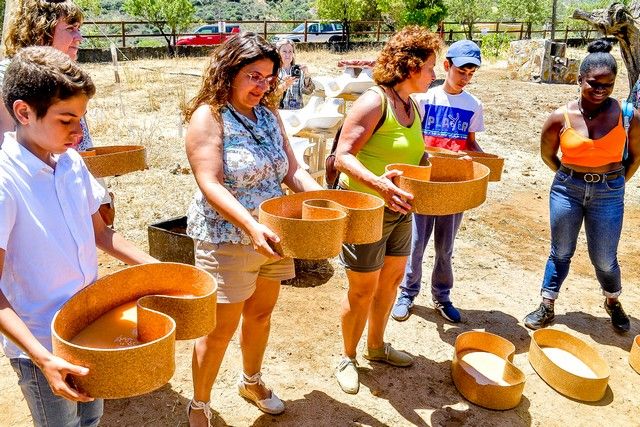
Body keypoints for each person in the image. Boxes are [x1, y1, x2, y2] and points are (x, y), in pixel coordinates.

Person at [0, 46, 157, 427]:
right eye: (67, 119)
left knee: (91, 416)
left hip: (89, 325)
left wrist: (160, 270)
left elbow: (101, 234)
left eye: (82, 118)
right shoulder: (6, 183)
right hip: (41, 340)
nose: (79, 131)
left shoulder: (70, 162)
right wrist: (43, 358)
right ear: (23, 112)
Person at [184, 32, 323, 426]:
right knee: (217, 330)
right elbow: (210, 184)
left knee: (260, 315)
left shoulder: (268, 114)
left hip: (275, 236)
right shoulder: (209, 116)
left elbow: (292, 171)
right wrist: (250, 226)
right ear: (229, 72)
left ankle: (251, 381)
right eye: (253, 76)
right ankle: (199, 403)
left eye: (268, 77)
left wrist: (328, 200)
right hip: (226, 238)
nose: (262, 85)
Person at [332, 26, 441, 394]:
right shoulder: (373, 101)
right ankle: (347, 356)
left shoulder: (413, 106)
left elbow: (415, 154)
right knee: (361, 290)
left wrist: (436, 171)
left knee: (391, 282)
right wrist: (380, 184)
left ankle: (376, 347)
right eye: (429, 66)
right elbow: (342, 157)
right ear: (410, 66)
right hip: (366, 210)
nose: (433, 73)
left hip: (400, 211)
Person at [524, 39, 640, 332]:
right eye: (594, 83)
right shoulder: (559, 118)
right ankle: (547, 304)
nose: (600, 90)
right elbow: (549, 155)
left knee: (604, 257)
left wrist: (613, 183)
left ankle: (612, 301)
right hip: (567, 190)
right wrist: (570, 177)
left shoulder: (629, 117)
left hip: (609, 193)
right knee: (561, 250)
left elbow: (636, 157)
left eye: (608, 84)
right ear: (579, 79)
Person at [391, 40, 484, 324]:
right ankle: (407, 292)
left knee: (446, 246)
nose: (465, 78)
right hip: (423, 183)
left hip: (453, 186)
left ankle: (442, 296)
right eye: (461, 72)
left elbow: (470, 144)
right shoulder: (424, 99)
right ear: (447, 66)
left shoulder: (473, 105)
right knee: (416, 242)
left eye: (471, 74)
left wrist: (483, 162)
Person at [0, 0, 115, 226]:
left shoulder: (63, 76)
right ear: (41, 29)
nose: (79, 37)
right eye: (71, 28)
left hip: (72, 181)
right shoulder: (7, 76)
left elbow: (78, 141)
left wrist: (97, 190)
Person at [275, 39, 315, 109]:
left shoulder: (298, 70)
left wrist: (307, 76)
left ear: (293, 54)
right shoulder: (274, 71)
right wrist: (284, 85)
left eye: (290, 51)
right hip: (280, 112)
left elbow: (308, 92)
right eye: (284, 51)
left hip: (296, 112)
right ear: (278, 53)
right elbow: (270, 95)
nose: (287, 54)